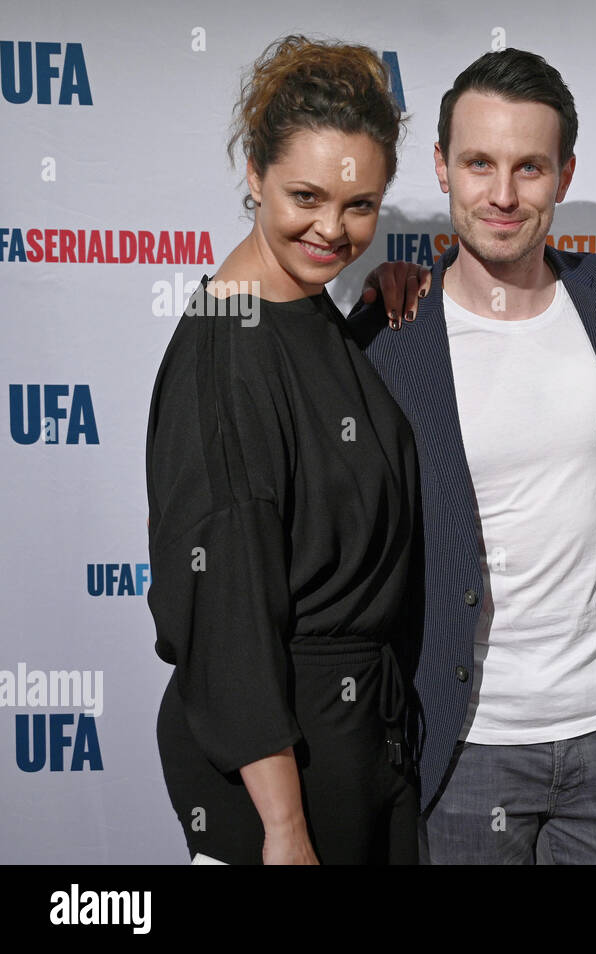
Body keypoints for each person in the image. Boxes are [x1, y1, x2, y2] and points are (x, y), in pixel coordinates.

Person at [351, 49, 596, 864]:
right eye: (478, 163)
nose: (502, 194)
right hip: (466, 745)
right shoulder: (393, 333)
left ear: (563, 175)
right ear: (441, 168)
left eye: (529, 167)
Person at [146, 35, 419, 865]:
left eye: (360, 205)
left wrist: (376, 307)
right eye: (305, 195)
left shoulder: (307, 310)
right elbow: (226, 606)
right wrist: (283, 828)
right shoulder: (228, 348)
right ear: (255, 175)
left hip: (357, 738)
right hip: (277, 770)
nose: (332, 231)